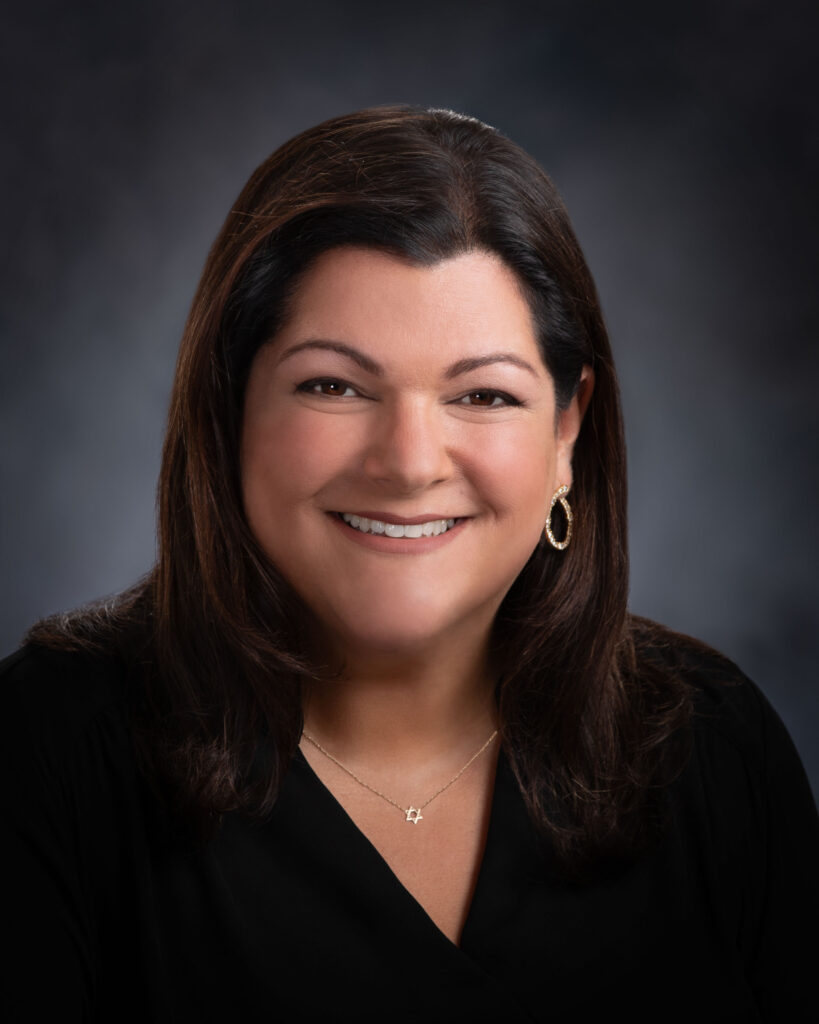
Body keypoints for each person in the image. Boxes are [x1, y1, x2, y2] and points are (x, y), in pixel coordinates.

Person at [3, 105, 817, 1023]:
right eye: (334, 385)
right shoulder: (49, 752)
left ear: (566, 431)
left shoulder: (711, 749)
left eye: (482, 393)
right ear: (230, 411)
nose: (409, 461)